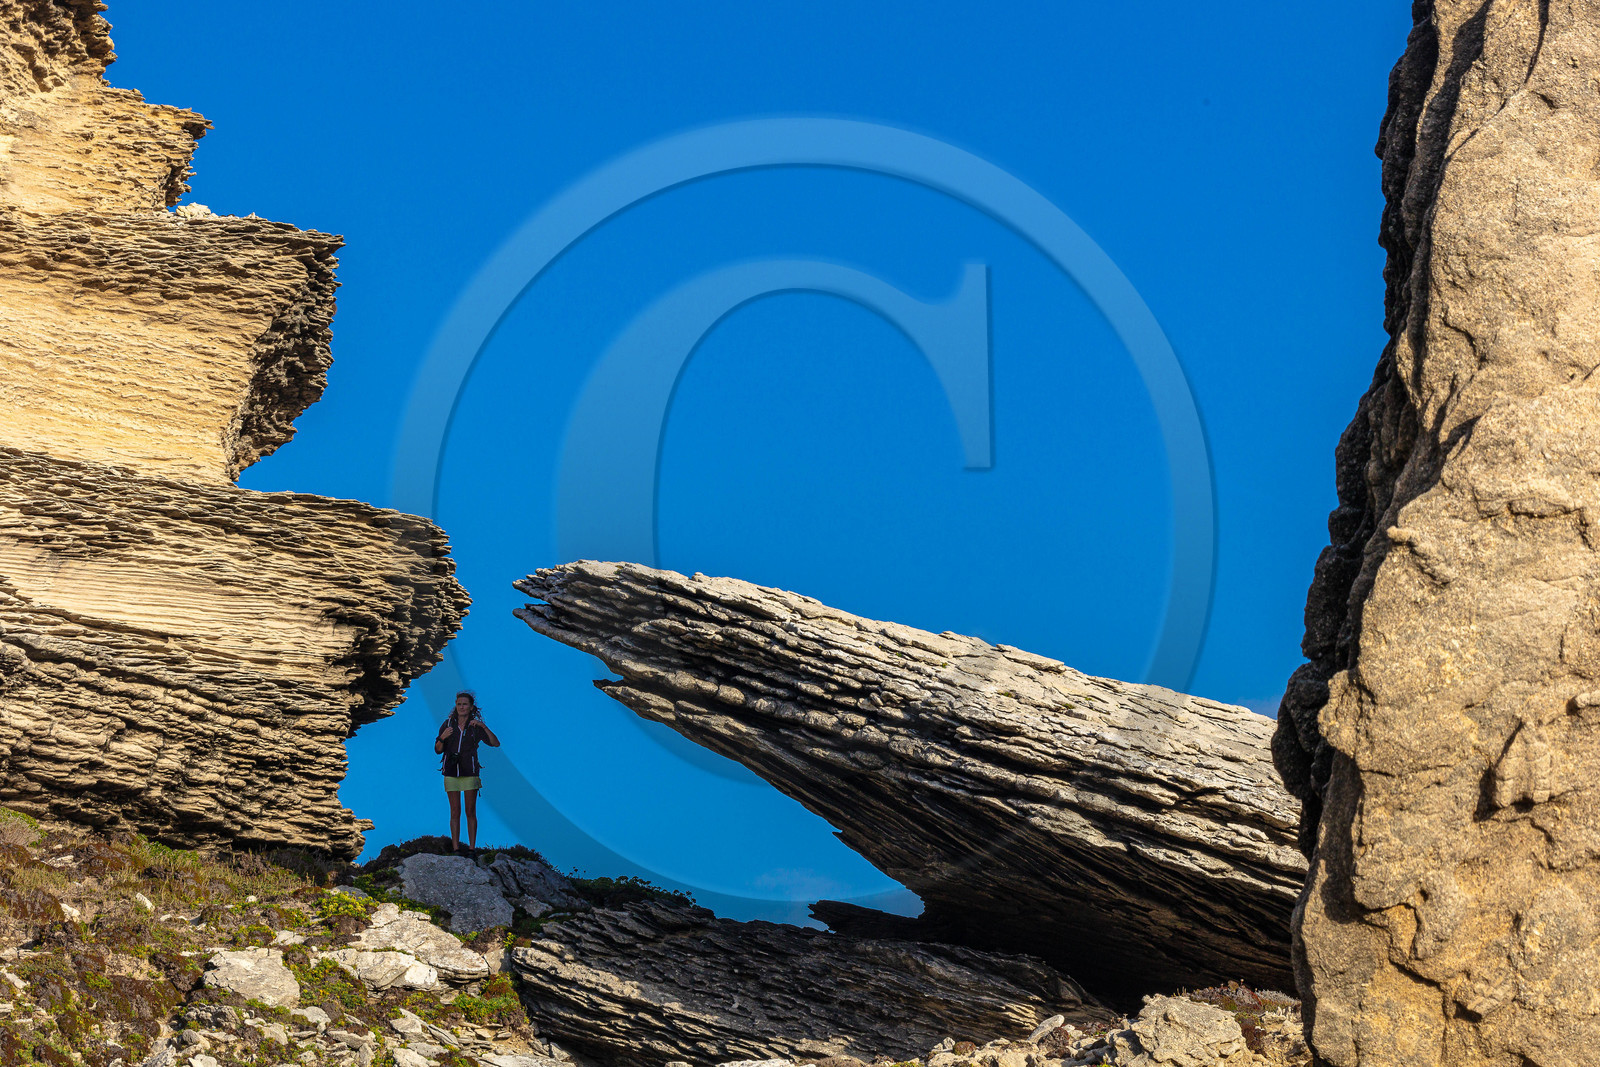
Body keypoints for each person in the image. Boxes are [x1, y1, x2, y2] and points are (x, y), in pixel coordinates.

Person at [435, 691, 501, 854]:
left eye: (465, 704)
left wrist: (483, 726)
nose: (461, 707)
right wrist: (442, 737)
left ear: (471, 707)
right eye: (459, 704)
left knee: (470, 811)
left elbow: (495, 743)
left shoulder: (475, 727)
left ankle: (472, 849)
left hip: (470, 772)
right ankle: (456, 848)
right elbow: (437, 750)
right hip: (451, 772)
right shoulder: (448, 724)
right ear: (455, 706)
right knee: (455, 811)